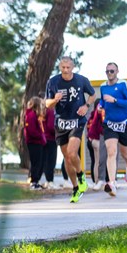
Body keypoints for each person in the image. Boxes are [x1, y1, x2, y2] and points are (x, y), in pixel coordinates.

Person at [45, 56, 96, 203]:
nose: (66, 70)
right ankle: (75, 188)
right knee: (67, 158)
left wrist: (86, 106)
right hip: (61, 123)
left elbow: (93, 95)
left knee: (72, 152)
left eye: (68, 68)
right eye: (63, 68)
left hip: (77, 120)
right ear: (60, 67)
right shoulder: (53, 82)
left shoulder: (81, 80)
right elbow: (47, 104)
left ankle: (81, 177)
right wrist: (55, 99)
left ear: (73, 67)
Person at [100, 62, 127, 196]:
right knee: (111, 151)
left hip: (125, 123)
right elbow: (103, 101)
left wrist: (115, 100)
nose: (110, 74)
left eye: (112, 71)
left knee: (125, 153)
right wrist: (100, 105)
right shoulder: (103, 86)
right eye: (107, 71)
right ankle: (112, 183)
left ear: (117, 71)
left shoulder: (123, 84)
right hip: (109, 123)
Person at [23, 96, 46, 189]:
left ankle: (36, 181)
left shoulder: (34, 115)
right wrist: (40, 137)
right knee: (36, 162)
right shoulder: (31, 115)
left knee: (38, 162)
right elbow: (31, 131)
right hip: (34, 142)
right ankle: (34, 181)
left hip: (37, 142)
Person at [85, 98, 104, 190]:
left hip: (90, 140)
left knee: (94, 161)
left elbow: (89, 128)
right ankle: (98, 181)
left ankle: (95, 181)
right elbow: (100, 128)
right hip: (97, 139)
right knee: (99, 161)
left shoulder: (91, 116)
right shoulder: (99, 114)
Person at [40, 104, 58, 187]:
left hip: (44, 138)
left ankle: (47, 180)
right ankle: (50, 180)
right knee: (51, 161)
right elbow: (51, 126)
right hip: (51, 138)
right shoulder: (51, 111)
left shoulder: (43, 111)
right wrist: (59, 131)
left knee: (46, 160)